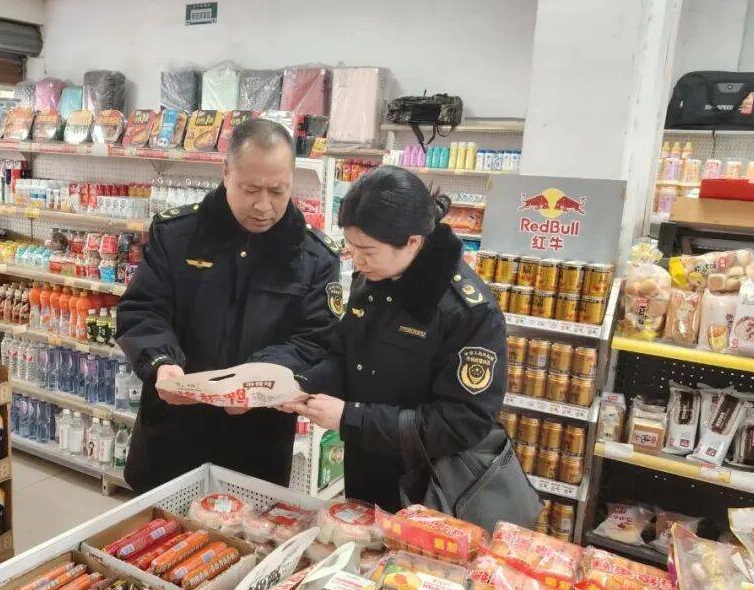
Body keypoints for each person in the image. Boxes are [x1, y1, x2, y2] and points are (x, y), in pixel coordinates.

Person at [116, 118, 341, 491]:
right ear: (226, 172)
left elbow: (316, 340)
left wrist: (255, 380)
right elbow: (143, 309)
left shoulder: (314, 258)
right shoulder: (177, 235)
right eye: (250, 189)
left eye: (278, 191)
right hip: (172, 434)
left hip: (257, 442)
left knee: (250, 527)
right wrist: (160, 362)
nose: (264, 206)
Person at [283, 166, 509, 512]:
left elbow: (461, 422)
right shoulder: (375, 277)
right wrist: (301, 384)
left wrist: (351, 418)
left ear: (412, 242)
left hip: (428, 492)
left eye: (368, 250)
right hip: (364, 473)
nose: (357, 260)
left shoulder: (468, 311)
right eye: (351, 246)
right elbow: (344, 356)